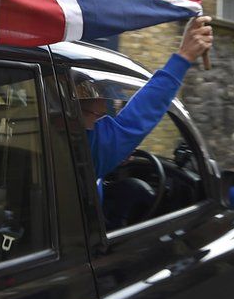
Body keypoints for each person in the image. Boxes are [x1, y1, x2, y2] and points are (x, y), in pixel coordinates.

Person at [77, 16, 213, 185]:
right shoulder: (82, 149)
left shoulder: (47, 147)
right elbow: (136, 118)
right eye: (96, 115)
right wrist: (184, 56)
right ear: (68, 112)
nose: (103, 122)